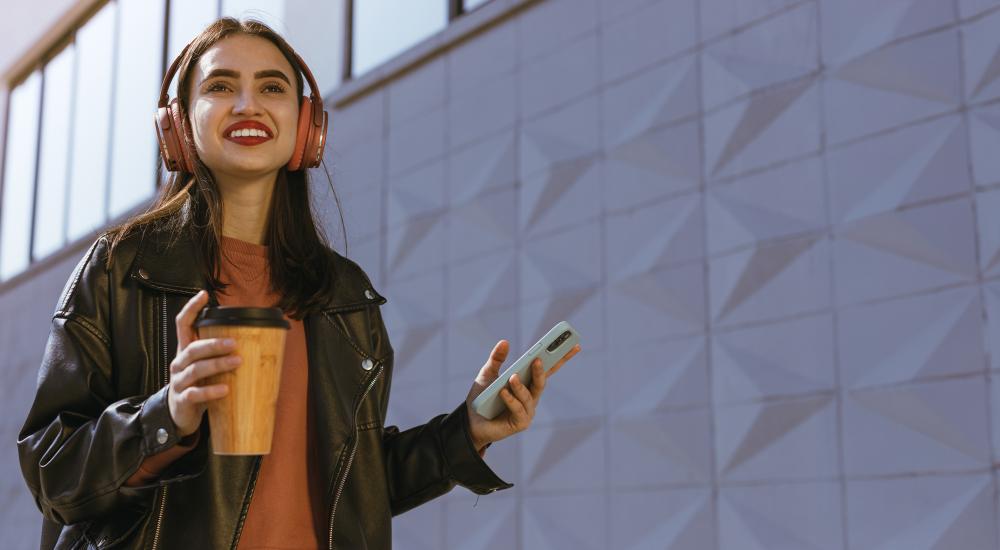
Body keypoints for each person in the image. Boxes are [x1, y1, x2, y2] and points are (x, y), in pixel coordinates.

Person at [16, 17, 580, 550]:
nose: (247, 104)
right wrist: (166, 417)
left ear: (306, 127)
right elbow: (52, 473)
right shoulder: (119, 269)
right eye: (220, 85)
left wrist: (469, 430)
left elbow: (350, 481)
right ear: (179, 124)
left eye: (272, 88)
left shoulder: (342, 292)